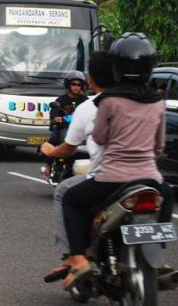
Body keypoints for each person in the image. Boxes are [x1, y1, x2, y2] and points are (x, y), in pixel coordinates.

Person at [60, 33, 170, 290]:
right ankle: (159, 256)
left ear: (116, 67)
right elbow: (159, 146)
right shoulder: (158, 102)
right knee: (167, 198)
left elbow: (99, 136)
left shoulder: (108, 101)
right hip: (150, 178)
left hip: (112, 180)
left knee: (71, 200)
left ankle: (78, 259)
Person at [40, 51, 114, 282]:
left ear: (89, 80)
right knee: (54, 135)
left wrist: (52, 151)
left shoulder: (92, 105)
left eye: (79, 83)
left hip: (104, 175)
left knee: (65, 193)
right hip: (148, 177)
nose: (76, 86)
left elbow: (74, 145)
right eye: (72, 83)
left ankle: (74, 256)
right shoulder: (151, 103)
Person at [43, 71, 88, 180]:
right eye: (74, 84)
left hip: (80, 130)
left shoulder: (85, 101)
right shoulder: (60, 100)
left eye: (79, 85)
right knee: (52, 140)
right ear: (68, 85)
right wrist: (55, 119)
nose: (76, 87)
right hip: (63, 128)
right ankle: (48, 168)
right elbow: (53, 115)